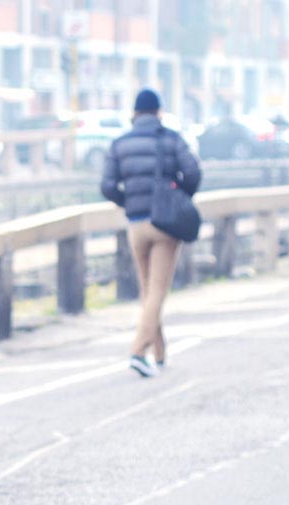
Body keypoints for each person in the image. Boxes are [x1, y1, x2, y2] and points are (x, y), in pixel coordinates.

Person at [101, 88, 202, 377]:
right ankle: (137, 351)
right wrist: (178, 197)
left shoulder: (120, 144)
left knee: (147, 290)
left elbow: (107, 186)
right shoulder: (171, 139)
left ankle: (159, 354)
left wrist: (128, 202)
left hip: (136, 224)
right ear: (159, 112)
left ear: (134, 113)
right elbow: (193, 173)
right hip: (164, 224)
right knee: (157, 291)